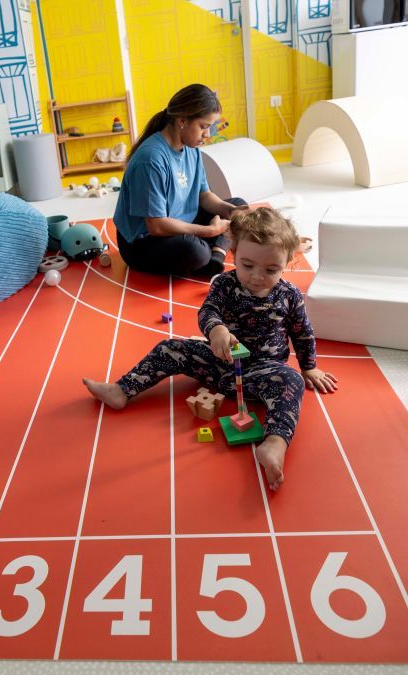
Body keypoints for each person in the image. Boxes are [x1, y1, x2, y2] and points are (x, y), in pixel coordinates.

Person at [83, 207, 338, 490]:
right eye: (247, 265)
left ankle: (275, 443)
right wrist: (217, 330)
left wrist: (309, 366)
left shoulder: (289, 295)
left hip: (261, 373)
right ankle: (122, 390)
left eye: (271, 269)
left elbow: (302, 333)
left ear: (288, 261)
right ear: (233, 254)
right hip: (217, 363)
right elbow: (209, 311)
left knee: (291, 381)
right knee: (170, 347)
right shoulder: (225, 285)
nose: (256, 276)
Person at [113, 83, 248, 278]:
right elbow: (157, 226)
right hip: (143, 242)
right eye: (204, 127)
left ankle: (216, 257)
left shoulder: (192, 149)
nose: (208, 135)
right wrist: (208, 232)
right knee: (195, 251)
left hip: (180, 221)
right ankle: (211, 251)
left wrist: (230, 211)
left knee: (238, 206)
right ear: (182, 121)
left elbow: (204, 195)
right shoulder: (151, 159)